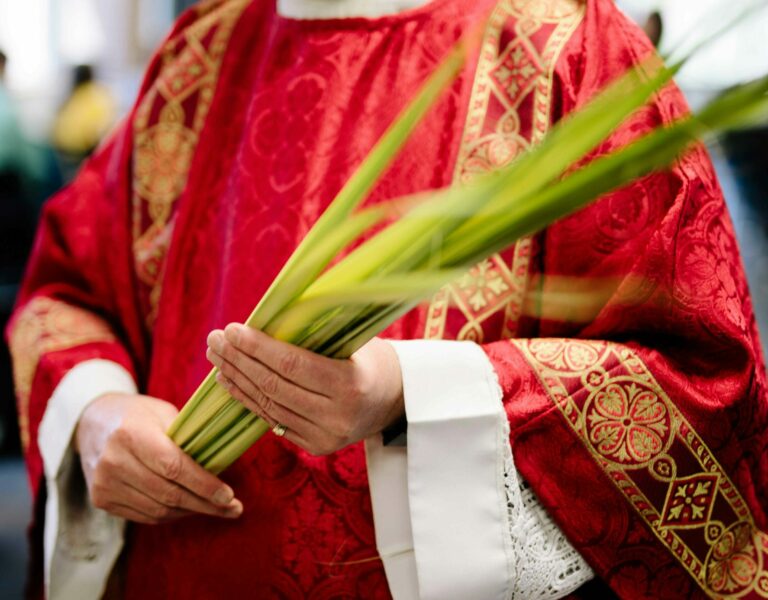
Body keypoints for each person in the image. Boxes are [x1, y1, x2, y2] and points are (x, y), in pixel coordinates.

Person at [7, 1, 768, 599]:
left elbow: (705, 383)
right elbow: (64, 292)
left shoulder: (569, 49)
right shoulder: (199, 53)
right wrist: (96, 414)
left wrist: (411, 394)